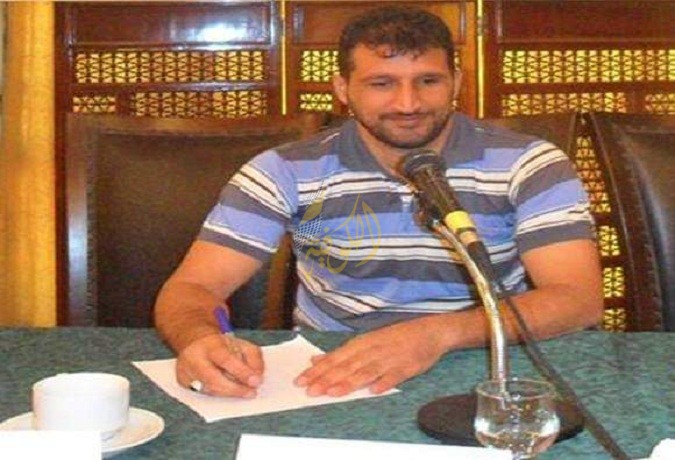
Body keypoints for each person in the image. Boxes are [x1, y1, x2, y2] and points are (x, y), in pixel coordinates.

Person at [154, 6, 603, 399]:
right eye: (382, 83)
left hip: (490, 365)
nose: (408, 104)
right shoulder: (286, 170)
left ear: (457, 82)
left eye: (428, 81)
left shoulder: (528, 163)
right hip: (334, 375)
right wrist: (200, 340)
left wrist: (437, 334)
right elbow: (193, 288)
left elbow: (577, 299)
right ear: (343, 88)